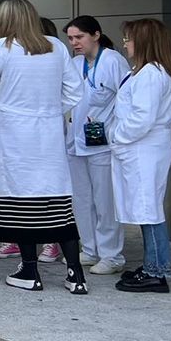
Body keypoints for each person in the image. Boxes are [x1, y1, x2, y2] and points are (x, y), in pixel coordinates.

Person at [0, 0, 88, 294]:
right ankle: (75, 274)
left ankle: (29, 270)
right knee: (58, 203)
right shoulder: (56, 47)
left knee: (20, 202)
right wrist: (49, 109)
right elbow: (75, 90)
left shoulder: (3, 47)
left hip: (16, 135)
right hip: (48, 134)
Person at [110, 19, 171, 294]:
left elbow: (142, 118)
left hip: (143, 147)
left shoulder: (152, 73)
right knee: (145, 206)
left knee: (147, 207)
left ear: (143, 41)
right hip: (144, 147)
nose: (125, 43)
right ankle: (153, 264)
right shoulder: (148, 71)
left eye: (128, 38)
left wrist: (118, 136)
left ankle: (156, 270)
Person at [64, 15, 129, 275]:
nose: (74, 43)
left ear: (96, 35)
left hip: (103, 144)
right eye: (70, 38)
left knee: (105, 201)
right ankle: (89, 249)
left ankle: (112, 255)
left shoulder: (113, 62)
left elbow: (126, 100)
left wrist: (114, 131)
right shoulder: (74, 64)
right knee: (81, 200)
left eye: (79, 37)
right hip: (76, 141)